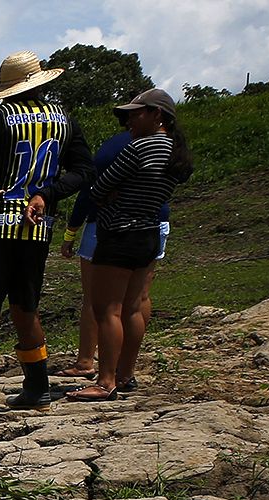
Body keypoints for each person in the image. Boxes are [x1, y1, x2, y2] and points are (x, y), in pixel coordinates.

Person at [0, 50, 93, 422]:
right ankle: (38, 391)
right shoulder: (64, 121)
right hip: (36, 228)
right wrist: (47, 195)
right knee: (26, 307)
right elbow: (83, 171)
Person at [70, 88, 193, 402]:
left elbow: (99, 189)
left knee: (107, 309)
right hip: (149, 232)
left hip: (119, 233)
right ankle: (125, 374)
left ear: (156, 114)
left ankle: (105, 380)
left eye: (135, 114)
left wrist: (111, 194)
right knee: (134, 307)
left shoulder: (139, 148)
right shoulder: (174, 150)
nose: (129, 122)